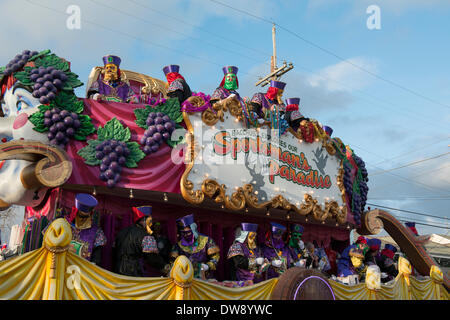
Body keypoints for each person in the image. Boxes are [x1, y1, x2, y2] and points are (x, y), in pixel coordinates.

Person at [113, 206, 169, 277]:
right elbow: (153, 259)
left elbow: (114, 250)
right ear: (145, 220)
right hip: (134, 273)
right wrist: (165, 267)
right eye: (150, 221)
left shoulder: (122, 232)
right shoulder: (146, 237)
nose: (151, 224)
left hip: (117, 271)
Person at [170, 214, 220, 279]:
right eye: (183, 233)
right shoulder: (177, 246)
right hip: (185, 278)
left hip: (205, 277)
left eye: (188, 232)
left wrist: (207, 266)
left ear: (193, 230)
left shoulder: (207, 241)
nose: (186, 235)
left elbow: (215, 257)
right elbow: (173, 262)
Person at [67, 193, 107, 265]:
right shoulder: (63, 224)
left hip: (82, 270)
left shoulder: (97, 232)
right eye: (80, 216)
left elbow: (96, 259)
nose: (82, 219)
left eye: (86, 217)